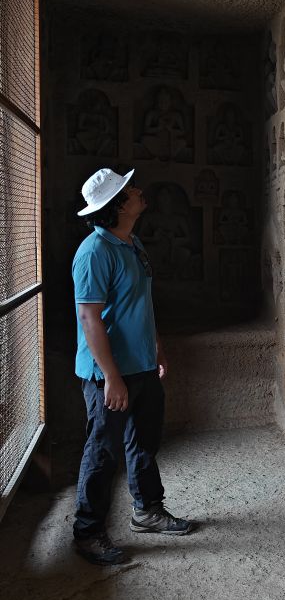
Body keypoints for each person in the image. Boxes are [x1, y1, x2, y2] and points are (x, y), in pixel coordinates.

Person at [71, 167, 192, 566]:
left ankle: (147, 510)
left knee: (144, 440)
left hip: (139, 364)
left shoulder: (132, 243)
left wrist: (154, 346)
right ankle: (88, 531)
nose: (139, 191)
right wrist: (111, 377)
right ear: (117, 206)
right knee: (103, 451)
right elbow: (90, 319)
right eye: (129, 190)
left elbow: (139, 304)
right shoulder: (94, 253)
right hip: (110, 373)